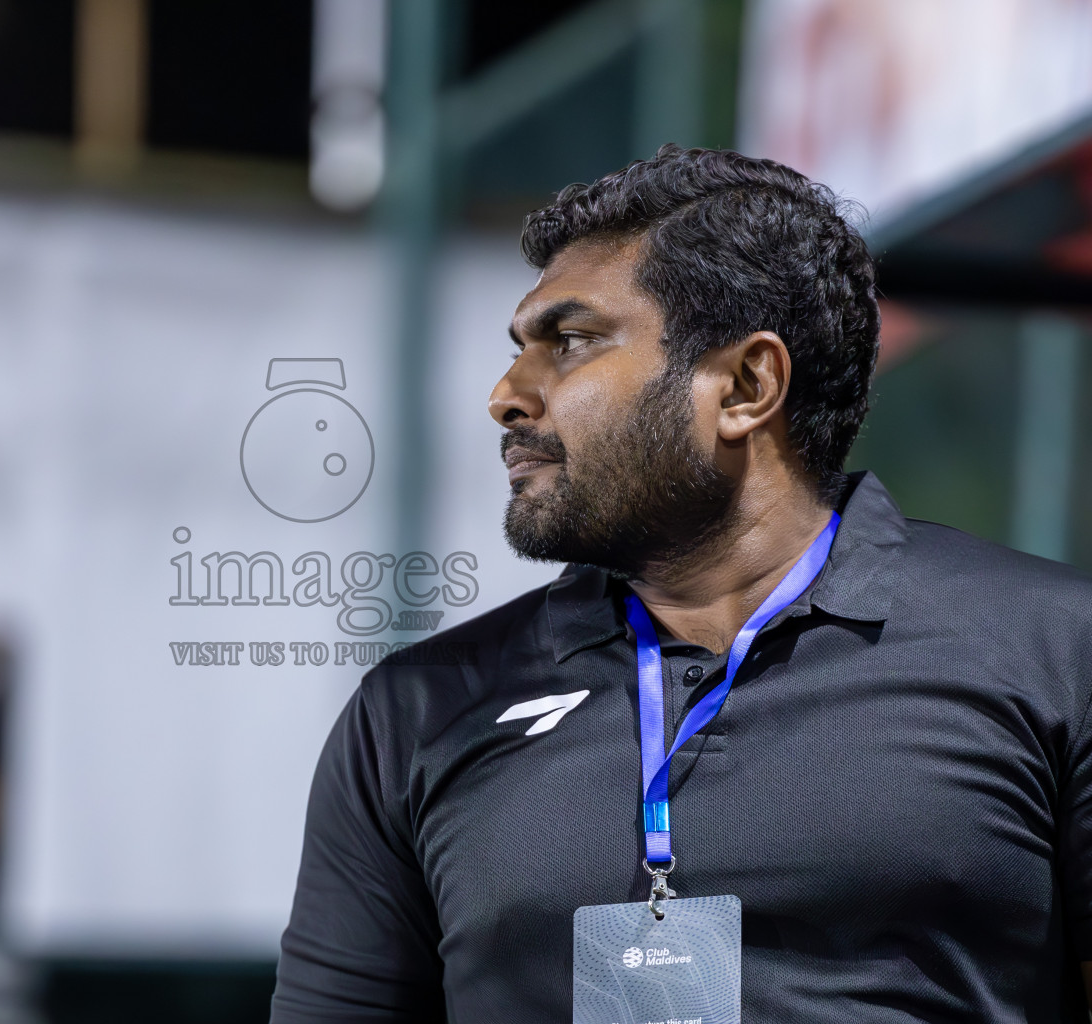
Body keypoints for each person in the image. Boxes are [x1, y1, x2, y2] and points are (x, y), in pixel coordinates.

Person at [269, 145, 1092, 1023]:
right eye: (520, 350)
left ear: (745, 385)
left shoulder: (1055, 649)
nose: (507, 397)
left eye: (571, 342)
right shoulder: (415, 711)